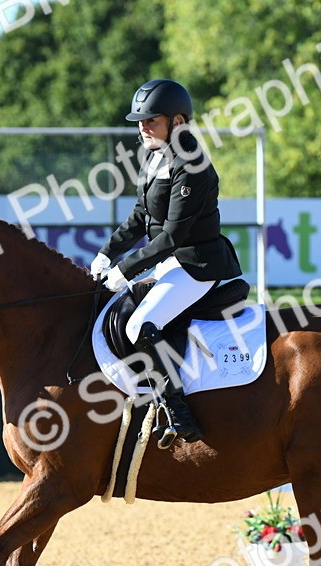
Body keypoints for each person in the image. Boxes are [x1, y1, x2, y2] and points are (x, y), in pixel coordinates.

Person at [91, 78, 242, 444]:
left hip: (197, 265)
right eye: (140, 120)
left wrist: (125, 270)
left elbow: (171, 237)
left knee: (140, 325)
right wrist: (106, 254)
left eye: (151, 120)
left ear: (177, 121)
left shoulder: (193, 166)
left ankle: (179, 412)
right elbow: (140, 219)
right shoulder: (154, 156)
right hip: (169, 264)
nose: (143, 126)